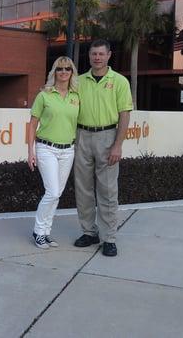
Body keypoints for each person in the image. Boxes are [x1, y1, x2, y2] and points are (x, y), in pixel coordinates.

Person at [73, 39, 132, 257]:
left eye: (100, 54)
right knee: (83, 188)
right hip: (82, 136)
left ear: (109, 55)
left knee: (107, 190)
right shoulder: (78, 82)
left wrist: (118, 145)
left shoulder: (119, 81)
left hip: (108, 137)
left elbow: (124, 114)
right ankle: (89, 232)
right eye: (93, 54)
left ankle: (109, 238)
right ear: (89, 56)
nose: (97, 58)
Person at [27, 56, 80, 249]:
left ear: (72, 72)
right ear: (54, 72)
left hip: (68, 150)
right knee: (52, 191)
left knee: (57, 193)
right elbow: (32, 125)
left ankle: (46, 232)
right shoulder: (45, 95)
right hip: (46, 148)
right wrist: (30, 152)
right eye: (60, 69)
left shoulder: (76, 97)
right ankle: (38, 231)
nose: (63, 72)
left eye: (67, 69)